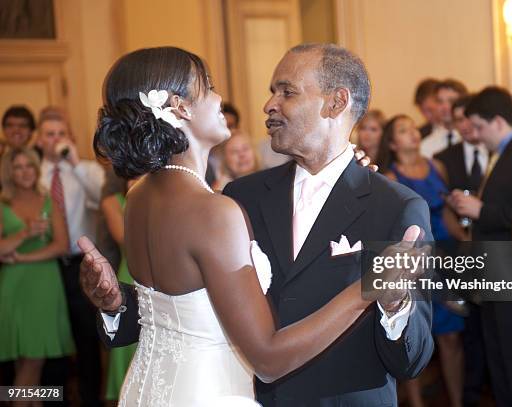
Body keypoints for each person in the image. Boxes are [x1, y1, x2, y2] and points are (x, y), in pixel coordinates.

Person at [81, 44, 434, 406]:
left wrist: (396, 306)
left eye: (287, 91)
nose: (269, 105)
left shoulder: (395, 207)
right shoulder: (238, 197)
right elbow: (186, 313)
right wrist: (117, 306)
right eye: (271, 92)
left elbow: (413, 358)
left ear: (336, 103)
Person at [447, 86, 512, 406]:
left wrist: (481, 211)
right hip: (495, 274)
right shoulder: (504, 152)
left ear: (499, 121)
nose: (474, 135)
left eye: (478, 126)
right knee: (500, 362)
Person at [378, 114, 465, 407]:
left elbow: (448, 214)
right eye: (403, 130)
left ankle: (457, 401)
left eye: (413, 128)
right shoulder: (390, 178)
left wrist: (467, 243)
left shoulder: (436, 166)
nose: (413, 133)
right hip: (417, 263)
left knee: (451, 338)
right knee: (415, 337)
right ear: (392, 142)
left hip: (448, 257)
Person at [35, 107, 105, 406]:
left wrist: (75, 163)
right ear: (39, 139)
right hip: (44, 265)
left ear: (70, 138)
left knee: (87, 337)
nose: (55, 140)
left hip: (80, 264)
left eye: (61, 134)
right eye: (49, 134)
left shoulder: (87, 170)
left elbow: (100, 197)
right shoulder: (31, 173)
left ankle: (91, 400)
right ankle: (55, 399)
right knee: (50, 338)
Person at [0, 147, 74, 395]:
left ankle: (23, 400)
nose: (25, 172)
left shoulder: (48, 201)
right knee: (26, 362)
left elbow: (62, 245)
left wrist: (21, 256)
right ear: (10, 172)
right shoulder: (2, 203)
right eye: (18, 167)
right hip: (14, 286)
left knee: (34, 361)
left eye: (29, 165)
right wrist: (25, 233)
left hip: (45, 284)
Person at [434, 95, 489, 406]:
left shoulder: (496, 153)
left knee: (491, 327)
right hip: (456, 254)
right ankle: (468, 395)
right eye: (458, 120)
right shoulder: (443, 158)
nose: (465, 126)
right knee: (463, 329)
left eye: (469, 118)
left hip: (494, 251)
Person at [100, 177, 138, 402]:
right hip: (127, 279)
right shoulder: (112, 202)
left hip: (161, 279)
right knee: (125, 348)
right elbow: (125, 238)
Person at [420, 79, 468, 158]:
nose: (445, 107)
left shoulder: (473, 139)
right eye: (440, 101)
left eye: (451, 101)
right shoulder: (425, 146)